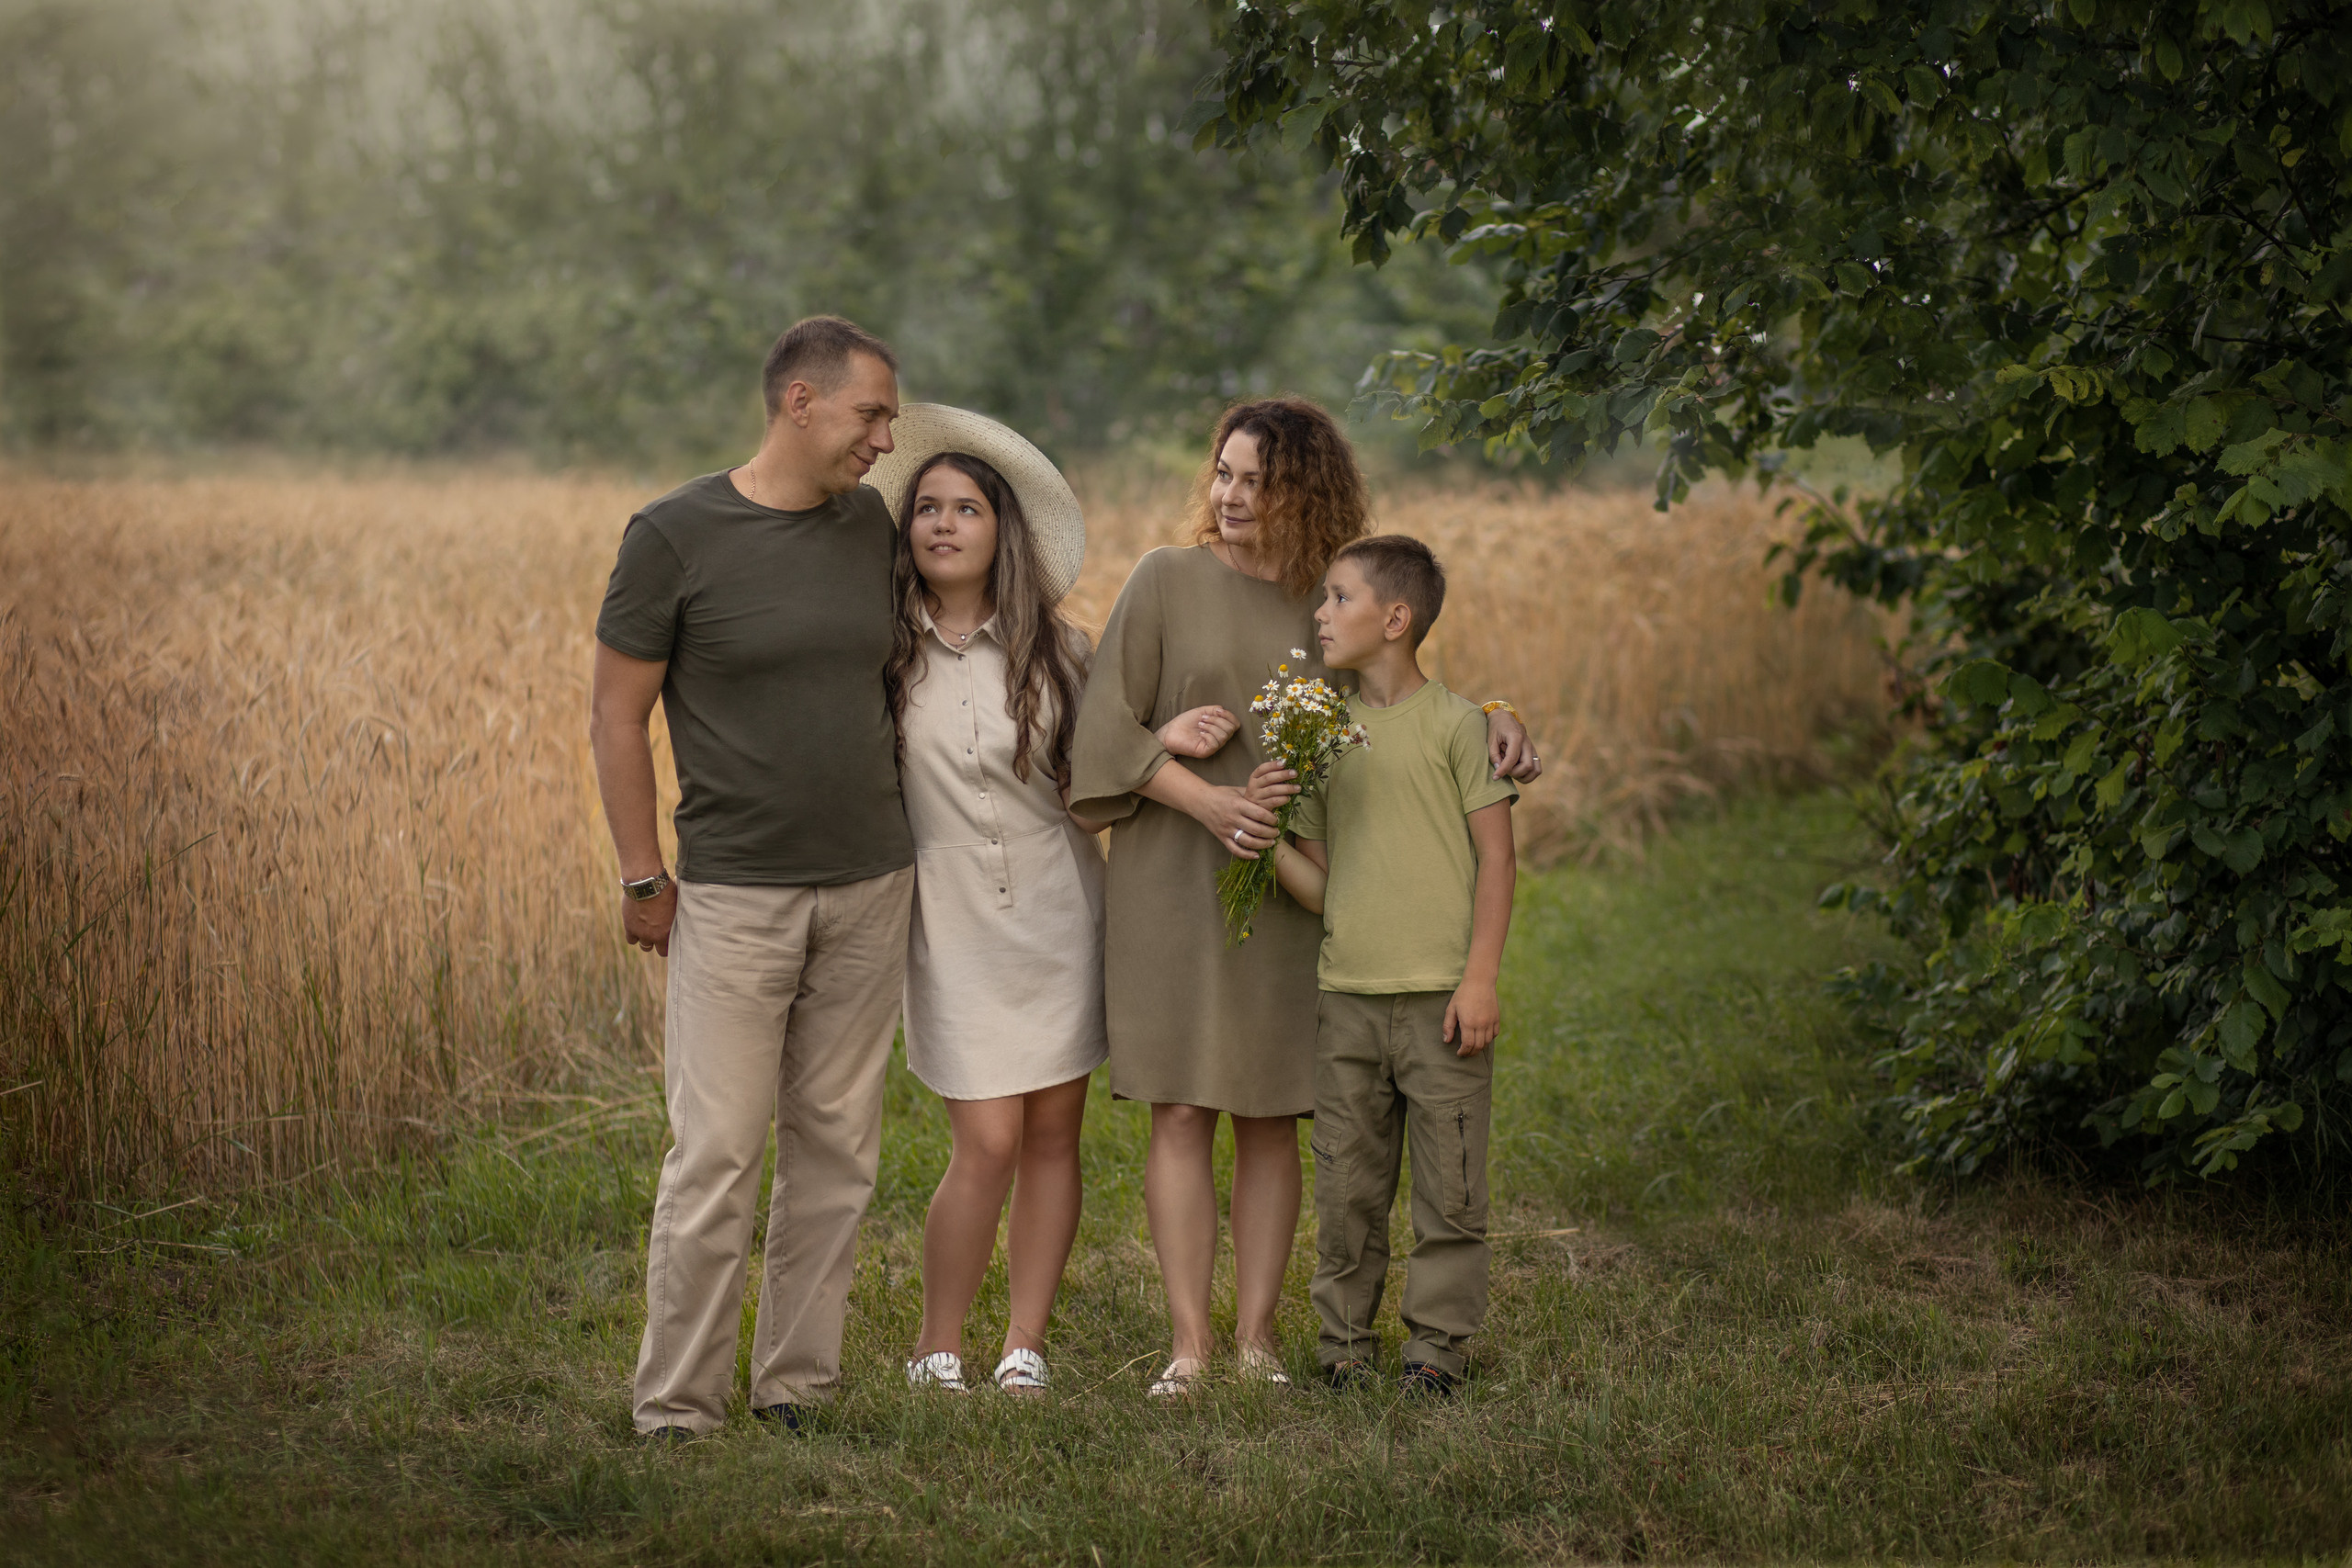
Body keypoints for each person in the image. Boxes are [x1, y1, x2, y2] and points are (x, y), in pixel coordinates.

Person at [1067, 398, 1541, 1398]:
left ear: (1304, 491)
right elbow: (1099, 735)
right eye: (1224, 475)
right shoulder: (1165, 578)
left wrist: (1498, 713)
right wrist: (1205, 801)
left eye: (1258, 480)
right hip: (1173, 877)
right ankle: (1190, 1347)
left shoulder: (1325, 600)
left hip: (1292, 891)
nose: (1232, 496)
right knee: (1183, 1109)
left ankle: (1260, 1342)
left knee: (1275, 1112)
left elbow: (1405, 694)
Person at [588, 315, 910, 1440]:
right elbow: (618, 716)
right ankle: (676, 1405)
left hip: (874, 883)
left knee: (836, 1151)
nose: (885, 440)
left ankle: (796, 1389)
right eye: (871, 415)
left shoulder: (872, 526)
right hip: (733, 893)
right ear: (801, 402)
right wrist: (643, 879)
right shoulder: (675, 534)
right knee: (718, 1150)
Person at [864, 407, 1106, 1398]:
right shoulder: (882, 656)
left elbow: (1107, 770)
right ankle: (936, 1344)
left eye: (967, 507)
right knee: (988, 1140)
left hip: (1059, 911)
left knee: (1053, 1134)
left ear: (1002, 529)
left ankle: (1024, 1343)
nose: (944, 523)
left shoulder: (1061, 648)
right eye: (926, 507)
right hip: (950, 915)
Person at [1270, 535, 1517, 1399]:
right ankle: (1342, 1344)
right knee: (1346, 1184)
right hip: (1348, 1000)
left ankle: (1436, 1351)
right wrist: (1259, 841)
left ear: (1396, 618)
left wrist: (1479, 976)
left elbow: (1498, 859)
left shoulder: (1458, 724)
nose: (1321, 613)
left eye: (1339, 598)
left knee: (1450, 1189)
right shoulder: (1319, 730)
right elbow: (1319, 884)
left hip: (1445, 1001)